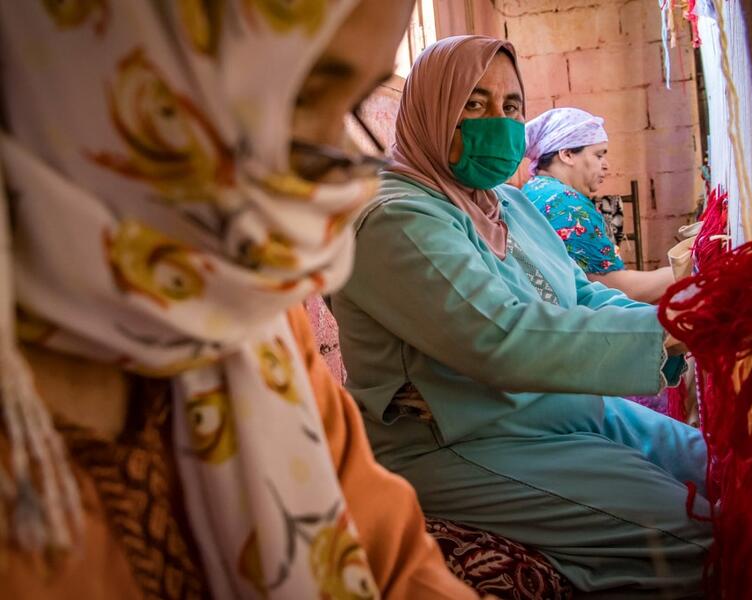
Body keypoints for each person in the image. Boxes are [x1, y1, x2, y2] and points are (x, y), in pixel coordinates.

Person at [0, 2, 478, 599]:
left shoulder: (252, 321)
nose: (344, 187)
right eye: (301, 95)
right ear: (110, 64)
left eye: (354, 102)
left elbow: (397, 563)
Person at [332, 35, 711, 598]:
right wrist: (675, 328)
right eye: (473, 103)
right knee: (690, 533)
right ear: (431, 108)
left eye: (511, 107)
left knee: (713, 467)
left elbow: (581, 295)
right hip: (459, 438)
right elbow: (500, 338)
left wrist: (685, 308)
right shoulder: (395, 218)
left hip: (550, 410)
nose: (500, 123)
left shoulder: (510, 204)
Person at [522, 108, 675, 303]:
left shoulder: (533, 189)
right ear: (567, 154)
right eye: (598, 155)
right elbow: (615, 288)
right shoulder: (567, 204)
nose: (606, 165)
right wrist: (687, 268)